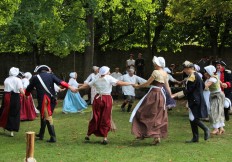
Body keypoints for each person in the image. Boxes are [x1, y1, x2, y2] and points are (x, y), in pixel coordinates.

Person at [77, 66, 133, 145]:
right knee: (105, 117)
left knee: (95, 116)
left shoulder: (96, 78)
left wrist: (78, 89)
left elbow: (87, 85)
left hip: (97, 99)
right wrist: (131, 83)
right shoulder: (109, 78)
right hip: (106, 99)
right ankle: (105, 137)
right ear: (106, 72)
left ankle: (88, 134)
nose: (109, 72)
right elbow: (119, 83)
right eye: (108, 71)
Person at [25, 65, 76, 143]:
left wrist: (27, 95)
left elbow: (29, 88)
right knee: (44, 116)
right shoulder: (51, 75)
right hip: (52, 99)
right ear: (46, 70)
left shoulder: (35, 78)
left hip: (44, 100)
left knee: (47, 117)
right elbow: (61, 82)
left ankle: (53, 137)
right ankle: (41, 134)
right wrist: (70, 87)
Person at [129, 56, 172, 145]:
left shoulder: (156, 72)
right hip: (161, 95)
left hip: (154, 94)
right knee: (158, 116)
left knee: (141, 112)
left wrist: (137, 86)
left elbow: (147, 83)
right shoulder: (165, 73)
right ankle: (155, 136)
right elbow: (167, 87)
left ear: (157, 64)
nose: (154, 64)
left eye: (155, 63)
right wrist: (170, 96)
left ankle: (141, 132)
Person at [174, 61, 210, 143]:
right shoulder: (196, 75)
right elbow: (203, 86)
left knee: (193, 118)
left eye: (185, 69)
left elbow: (188, 90)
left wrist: (175, 95)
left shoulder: (192, 77)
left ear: (189, 68)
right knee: (192, 118)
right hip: (196, 99)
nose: (184, 71)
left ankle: (205, 129)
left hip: (194, 100)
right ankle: (195, 138)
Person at [0, 67, 25, 137]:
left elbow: (5, 87)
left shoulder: (6, 79)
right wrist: (25, 95)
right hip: (14, 96)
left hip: (6, 96)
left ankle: (4, 125)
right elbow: (20, 89)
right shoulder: (18, 80)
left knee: (5, 110)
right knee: (14, 112)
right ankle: (11, 129)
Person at [204, 65, 225, 135]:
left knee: (214, 111)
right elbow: (221, 84)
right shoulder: (214, 77)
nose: (205, 73)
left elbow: (206, 86)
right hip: (216, 95)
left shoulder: (212, 79)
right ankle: (221, 128)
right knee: (219, 111)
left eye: (206, 72)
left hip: (217, 96)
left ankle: (216, 129)